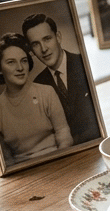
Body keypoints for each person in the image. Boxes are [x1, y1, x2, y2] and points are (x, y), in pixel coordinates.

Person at [0, 33, 73, 163]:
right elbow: (5, 158)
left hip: (58, 159)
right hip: (23, 171)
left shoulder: (46, 92)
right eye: (11, 62)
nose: (20, 68)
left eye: (24, 61)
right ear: (0, 69)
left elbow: (63, 133)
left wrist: (61, 161)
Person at [22, 13, 101, 144]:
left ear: (58, 37)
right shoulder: (37, 85)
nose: (43, 49)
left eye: (47, 39)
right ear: (31, 51)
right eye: (36, 44)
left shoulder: (83, 64)